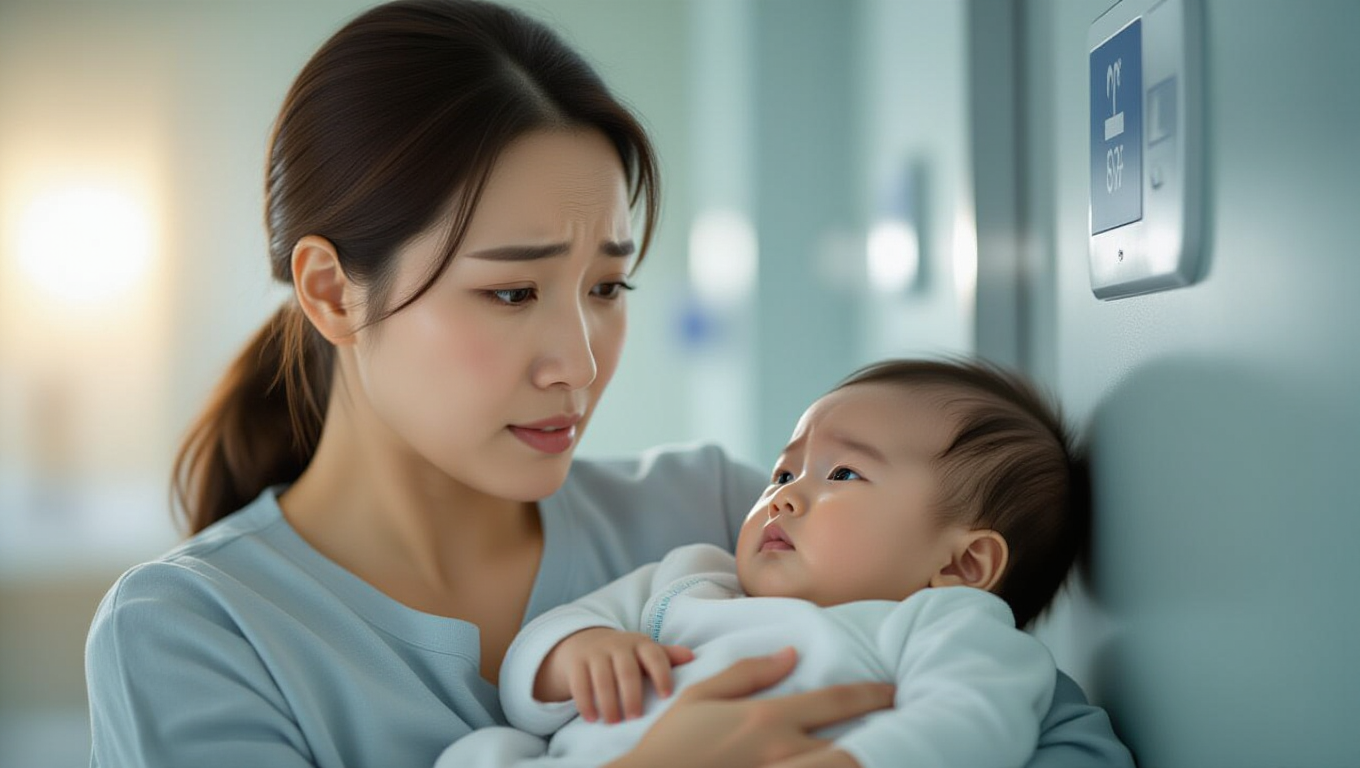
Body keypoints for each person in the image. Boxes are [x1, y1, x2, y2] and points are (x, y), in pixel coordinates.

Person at [83, 1, 1134, 767]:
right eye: (509, 293)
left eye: (606, 284)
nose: (580, 364)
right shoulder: (190, 633)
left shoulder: (725, 516)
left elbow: (1047, 734)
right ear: (332, 292)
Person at [437, 359, 1092, 768]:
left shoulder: (938, 623)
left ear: (965, 563)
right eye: (783, 471)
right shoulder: (692, 578)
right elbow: (538, 659)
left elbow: (976, 718)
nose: (785, 495)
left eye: (842, 472)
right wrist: (574, 654)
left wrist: (852, 760)